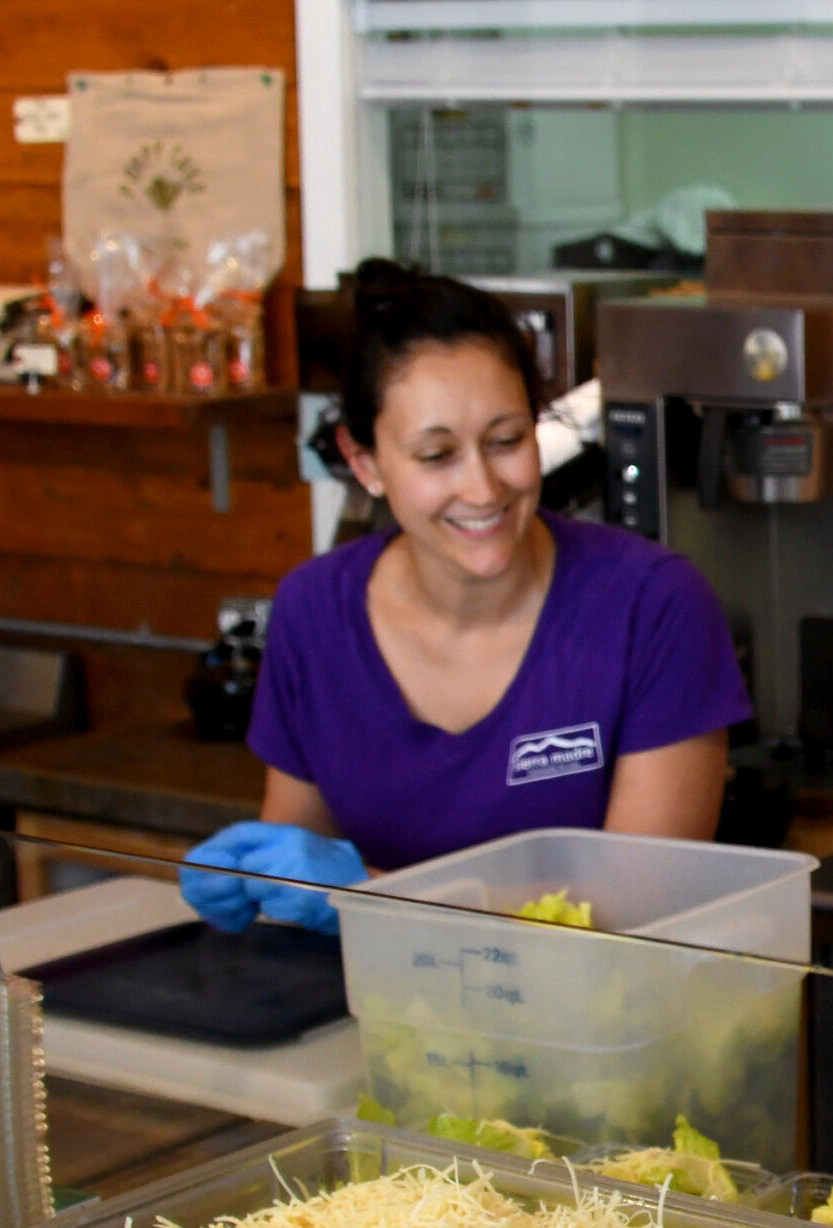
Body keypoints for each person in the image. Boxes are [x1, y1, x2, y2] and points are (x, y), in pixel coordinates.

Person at [179, 262, 750, 932]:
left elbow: (639, 916)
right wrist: (257, 881)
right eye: (436, 456)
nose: (482, 489)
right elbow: (292, 882)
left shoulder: (653, 608)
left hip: (595, 1028)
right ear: (364, 463)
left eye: (507, 441)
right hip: (386, 1021)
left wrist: (373, 894)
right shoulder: (314, 612)